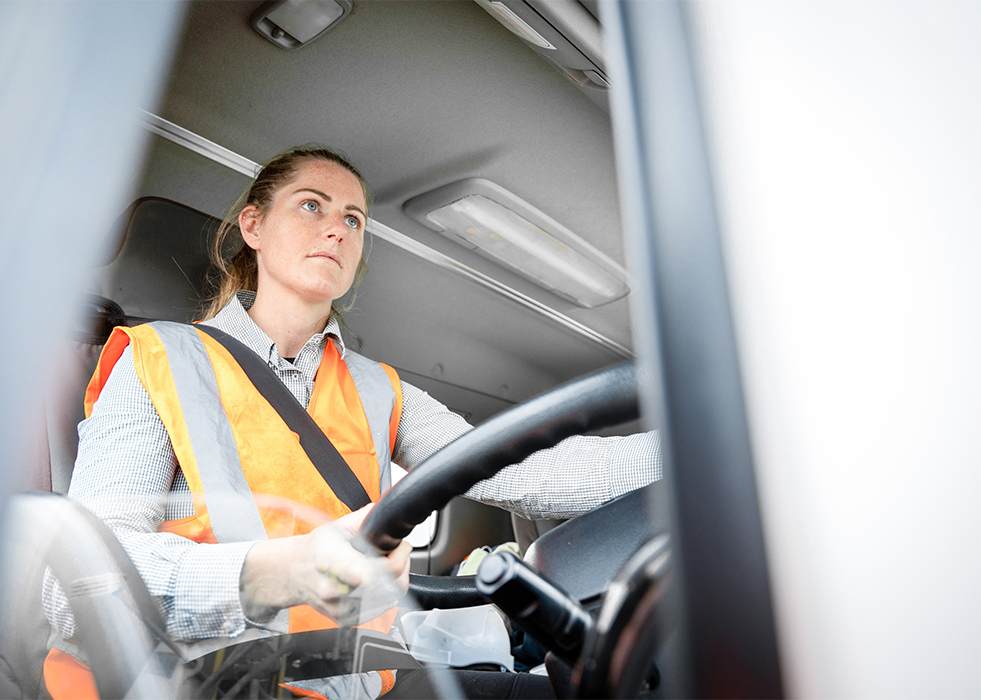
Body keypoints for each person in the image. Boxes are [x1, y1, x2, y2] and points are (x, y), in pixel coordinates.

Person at [42, 146, 662, 699]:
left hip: (364, 676)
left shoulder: (378, 388)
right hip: (207, 682)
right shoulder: (158, 359)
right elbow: (75, 588)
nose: (336, 229)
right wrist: (286, 570)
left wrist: (708, 443)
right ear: (253, 226)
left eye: (353, 220)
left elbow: (532, 469)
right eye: (311, 205)